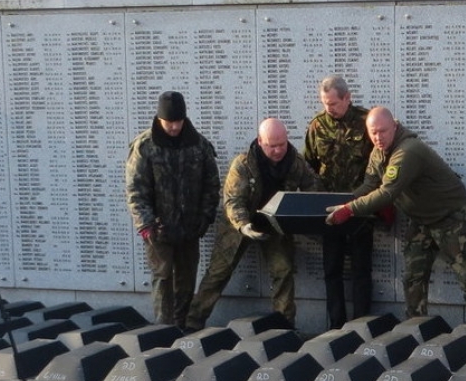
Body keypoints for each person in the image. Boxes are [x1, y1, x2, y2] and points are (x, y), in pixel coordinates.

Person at [325, 107, 466, 320]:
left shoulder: (407, 151)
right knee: (413, 275)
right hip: (422, 219)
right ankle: (416, 324)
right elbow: (369, 185)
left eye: (383, 131)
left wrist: (350, 210)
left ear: (394, 127)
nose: (378, 137)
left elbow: (387, 192)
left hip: (448, 216)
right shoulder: (378, 153)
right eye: (373, 132)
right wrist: (340, 203)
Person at [187, 118, 320, 329]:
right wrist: (243, 225)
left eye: (282, 144)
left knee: (283, 270)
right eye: (272, 145)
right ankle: (192, 322)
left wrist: (301, 215)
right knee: (218, 272)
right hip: (239, 225)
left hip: (274, 224)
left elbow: (313, 187)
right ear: (260, 141)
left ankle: (284, 325)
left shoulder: (295, 162)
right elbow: (233, 200)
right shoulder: (243, 164)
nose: (278, 151)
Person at [125, 91, 220, 330]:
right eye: (170, 122)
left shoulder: (199, 145)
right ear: (159, 119)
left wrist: (206, 216)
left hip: (190, 227)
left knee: (186, 282)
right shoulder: (145, 146)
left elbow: (211, 184)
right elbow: (136, 189)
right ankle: (163, 330)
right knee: (163, 280)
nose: (175, 127)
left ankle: (184, 329)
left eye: (178, 122)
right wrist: (146, 224)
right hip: (159, 229)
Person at [304, 76, 374, 329]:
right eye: (325, 103)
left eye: (333, 103)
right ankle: (336, 326)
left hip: (359, 208)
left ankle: (362, 325)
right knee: (332, 269)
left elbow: (377, 163)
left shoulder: (366, 122)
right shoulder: (317, 126)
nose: (329, 108)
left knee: (361, 270)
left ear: (347, 98)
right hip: (329, 210)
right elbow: (308, 165)